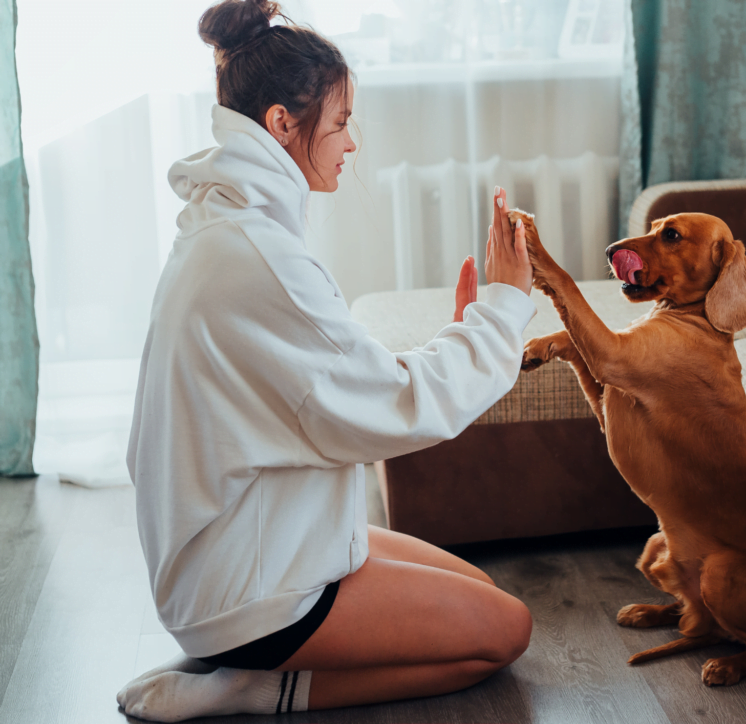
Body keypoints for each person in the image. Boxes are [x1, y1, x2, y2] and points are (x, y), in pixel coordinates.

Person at [116, 1, 536, 719]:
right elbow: (394, 407)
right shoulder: (255, 256)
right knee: (504, 632)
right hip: (246, 592)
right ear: (282, 123)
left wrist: (468, 326)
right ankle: (253, 686)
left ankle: (252, 664)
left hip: (250, 537)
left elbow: (339, 383)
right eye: (340, 122)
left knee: (484, 598)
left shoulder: (232, 227)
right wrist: (503, 307)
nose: (352, 142)